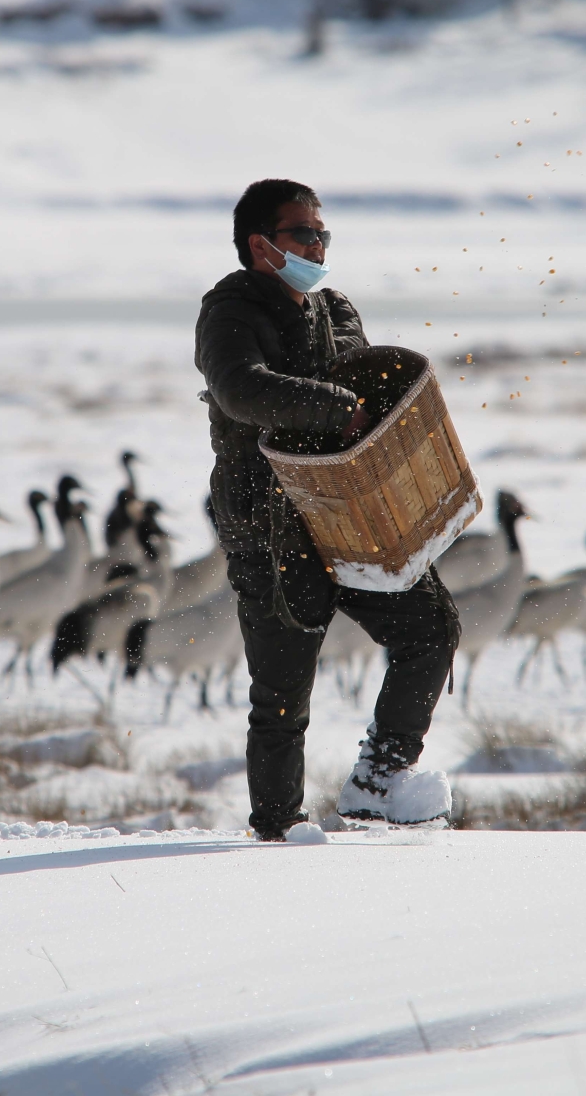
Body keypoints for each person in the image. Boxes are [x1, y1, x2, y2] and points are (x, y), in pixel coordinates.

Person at [194, 178, 461, 840]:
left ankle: (379, 781)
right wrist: (337, 410)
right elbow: (239, 390)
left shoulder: (334, 308)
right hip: (268, 523)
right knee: (283, 696)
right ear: (261, 244)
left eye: (323, 233)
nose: (318, 244)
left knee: (431, 628)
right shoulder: (229, 311)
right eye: (303, 234)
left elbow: (373, 387)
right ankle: (279, 832)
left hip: (347, 514)